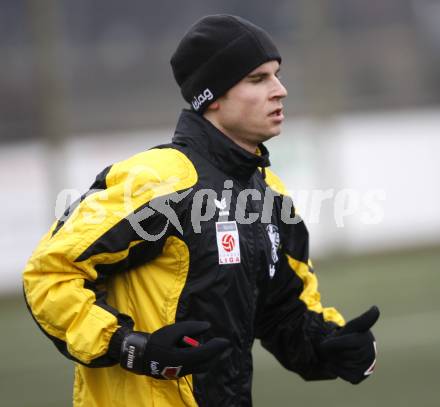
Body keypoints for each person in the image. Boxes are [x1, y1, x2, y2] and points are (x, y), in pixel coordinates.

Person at [23, 14, 379, 407]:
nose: (280, 90)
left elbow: (284, 312)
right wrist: (129, 345)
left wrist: (331, 346)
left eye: (276, 75)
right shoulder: (159, 180)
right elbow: (49, 274)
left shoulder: (270, 195)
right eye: (258, 79)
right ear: (213, 97)